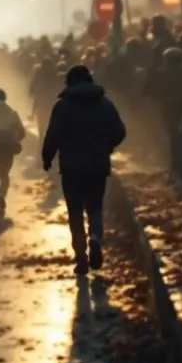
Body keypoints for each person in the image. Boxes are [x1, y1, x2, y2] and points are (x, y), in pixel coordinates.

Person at [41, 65, 126, 276]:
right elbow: (120, 131)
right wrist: (107, 146)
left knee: (75, 213)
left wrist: (47, 157)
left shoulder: (62, 107)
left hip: (71, 167)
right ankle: (95, 236)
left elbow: (53, 135)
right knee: (95, 206)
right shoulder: (105, 104)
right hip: (98, 165)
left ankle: (81, 257)